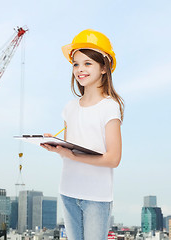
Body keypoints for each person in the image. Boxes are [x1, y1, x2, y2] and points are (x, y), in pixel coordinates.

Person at [41, 29, 124, 240]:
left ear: (104, 67)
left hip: (96, 196)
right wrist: (56, 146)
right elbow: (69, 150)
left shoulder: (109, 107)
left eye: (88, 63)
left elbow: (113, 159)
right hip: (68, 191)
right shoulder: (69, 108)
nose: (80, 69)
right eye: (76, 64)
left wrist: (72, 155)